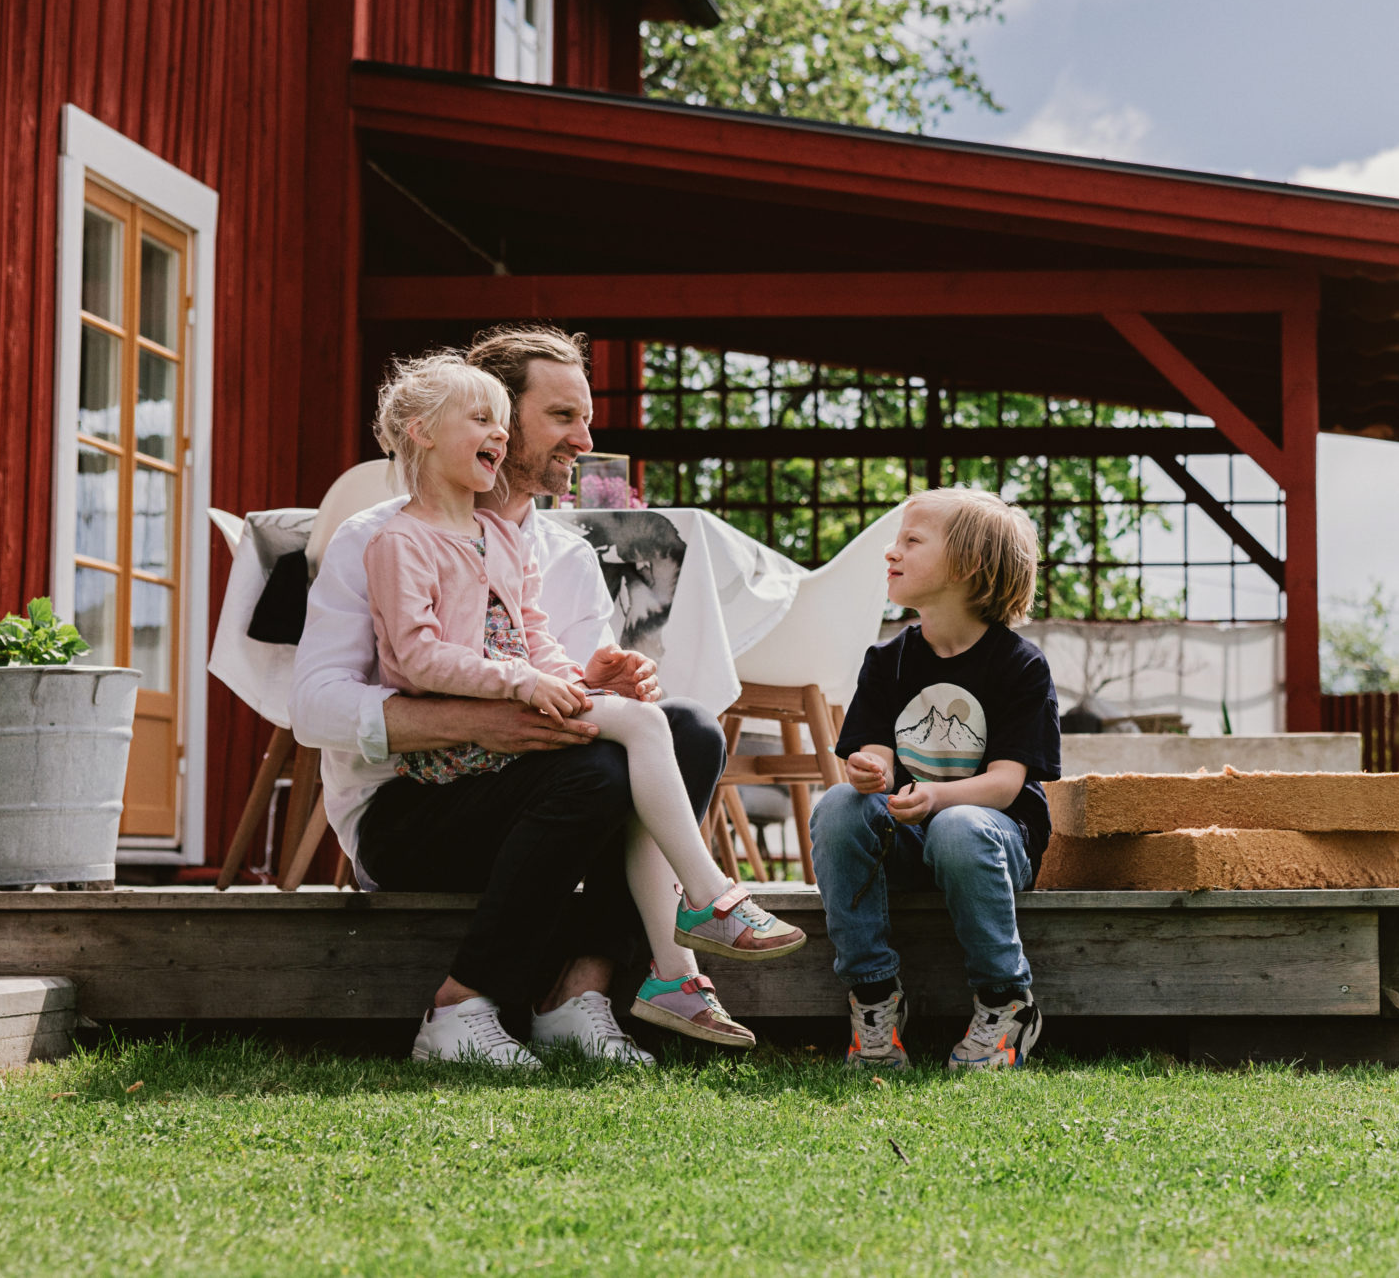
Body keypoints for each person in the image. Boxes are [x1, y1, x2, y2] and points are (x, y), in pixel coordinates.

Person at [291, 324, 758, 1068]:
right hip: (408, 814)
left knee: (689, 730)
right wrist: (479, 721)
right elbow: (314, 707)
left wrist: (601, 680)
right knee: (598, 771)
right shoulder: (378, 538)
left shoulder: (565, 554)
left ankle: (578, 995)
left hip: (541, 801)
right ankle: (459, 1005)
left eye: (586, 418)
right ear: (498, 418)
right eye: (563, 416)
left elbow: (560, 691)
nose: (585, 439)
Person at [809, 489, 1061, 1071]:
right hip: (909, 841)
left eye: (912, 541)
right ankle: (874, 995)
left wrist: (936, 798)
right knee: (840, 806)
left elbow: (1005, 785)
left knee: (959, 826)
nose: (891, 552)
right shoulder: (886, 661)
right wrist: (869, 770)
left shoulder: (1020, 665)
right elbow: (875, 756)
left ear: (968, 565)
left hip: (991, 847)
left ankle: (1005, 999)